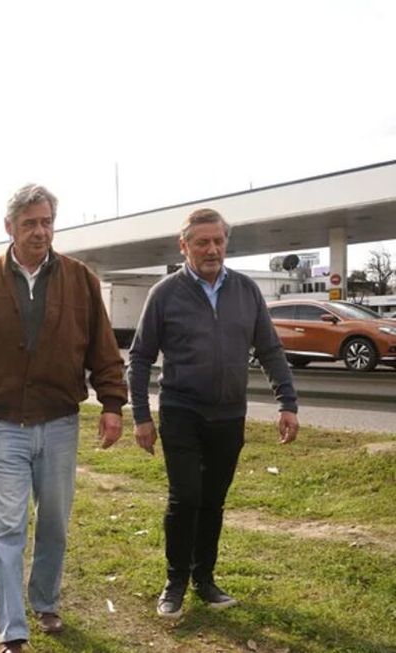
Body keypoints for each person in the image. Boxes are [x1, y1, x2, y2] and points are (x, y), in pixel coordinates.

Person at [0, 183, 128, 653]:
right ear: (9, 227)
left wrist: (111, 405)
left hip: (61, 424)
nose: (39, 232)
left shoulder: (80, 279)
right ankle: (13, 631)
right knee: (5, 528)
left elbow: (102, 349)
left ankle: (44, 599)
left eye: (46, 222)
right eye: (29, 224)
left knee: (54, 525)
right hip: (2, 426)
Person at [127, 207, 299, 619]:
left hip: (228, 415)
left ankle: (204, 579)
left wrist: (287, 402)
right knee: (186, 497)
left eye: (218, 241)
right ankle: (175, 582)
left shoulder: (246, 290)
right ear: (183, 246)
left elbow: (270, 349)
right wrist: (140, 416)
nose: (212, 249)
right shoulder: (165, 293)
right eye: (202, 242)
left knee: (213, 501)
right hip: (181, 410)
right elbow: (140, 357)